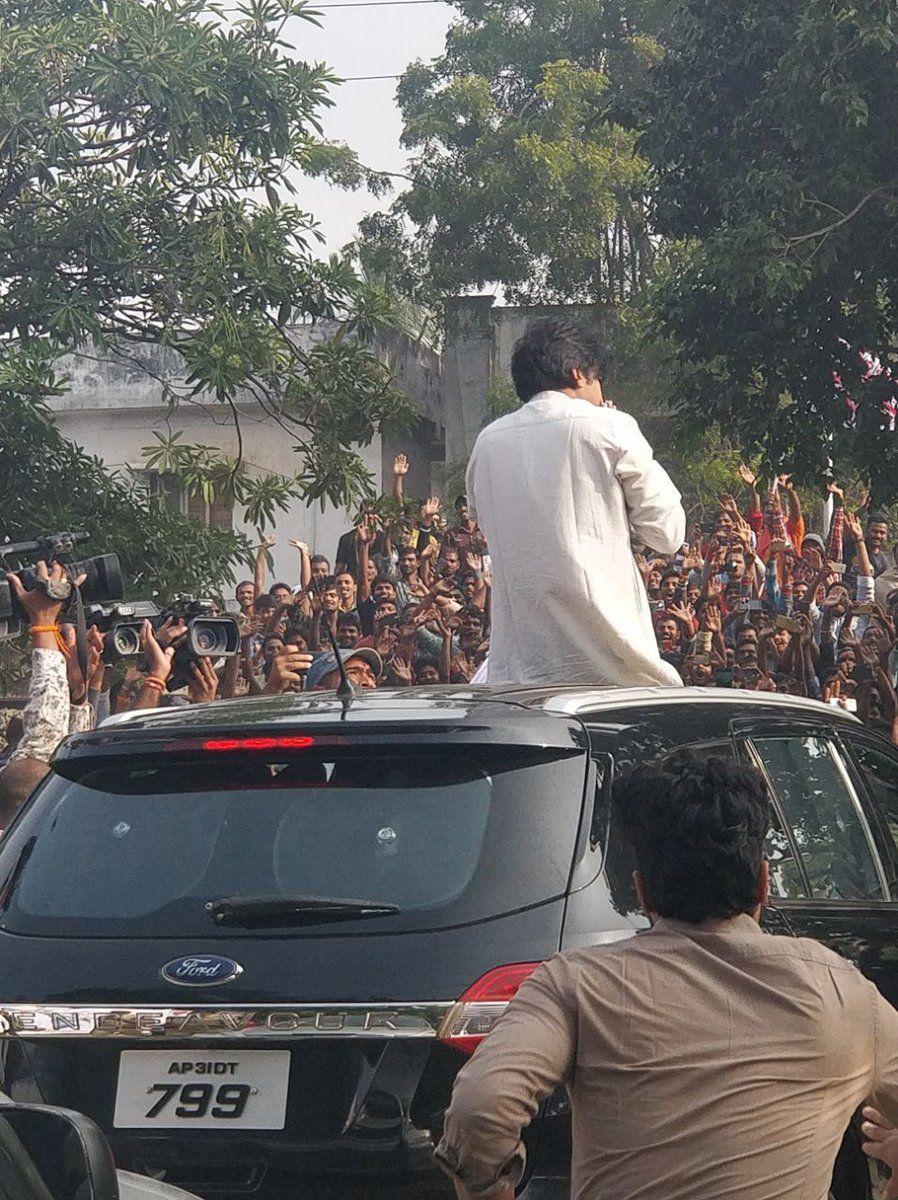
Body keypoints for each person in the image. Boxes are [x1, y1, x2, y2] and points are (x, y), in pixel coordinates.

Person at [436, 751, 898, 1200]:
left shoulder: (575, 984)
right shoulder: (841, 989)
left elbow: (481, 1107)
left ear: (642, 893)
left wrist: (486, 1191)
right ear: (763, 883)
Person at [467, 317, 686, 686]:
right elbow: (668, 533)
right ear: (578, 372)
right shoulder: (608, 426)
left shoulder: (487, 443)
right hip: (612, 674)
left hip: (517, 676)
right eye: (599, 379)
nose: (601, 394)